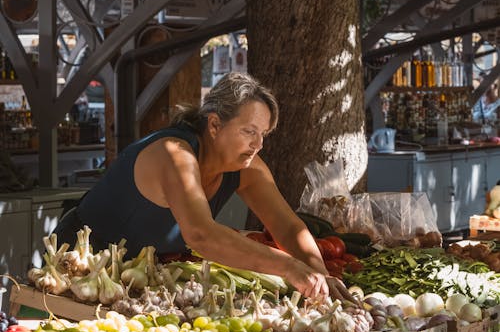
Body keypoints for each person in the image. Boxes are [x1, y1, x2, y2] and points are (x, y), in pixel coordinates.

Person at [55, 72, 337, 300]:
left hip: (135, 279)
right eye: (249, 131)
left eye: (263, 134)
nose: (258, 144)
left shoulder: (247, 166)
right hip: (79, 268)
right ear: (214, 125)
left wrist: (320, 276)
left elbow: (287, 227)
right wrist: (289, 267)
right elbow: (202, 235)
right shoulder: (174, 154)